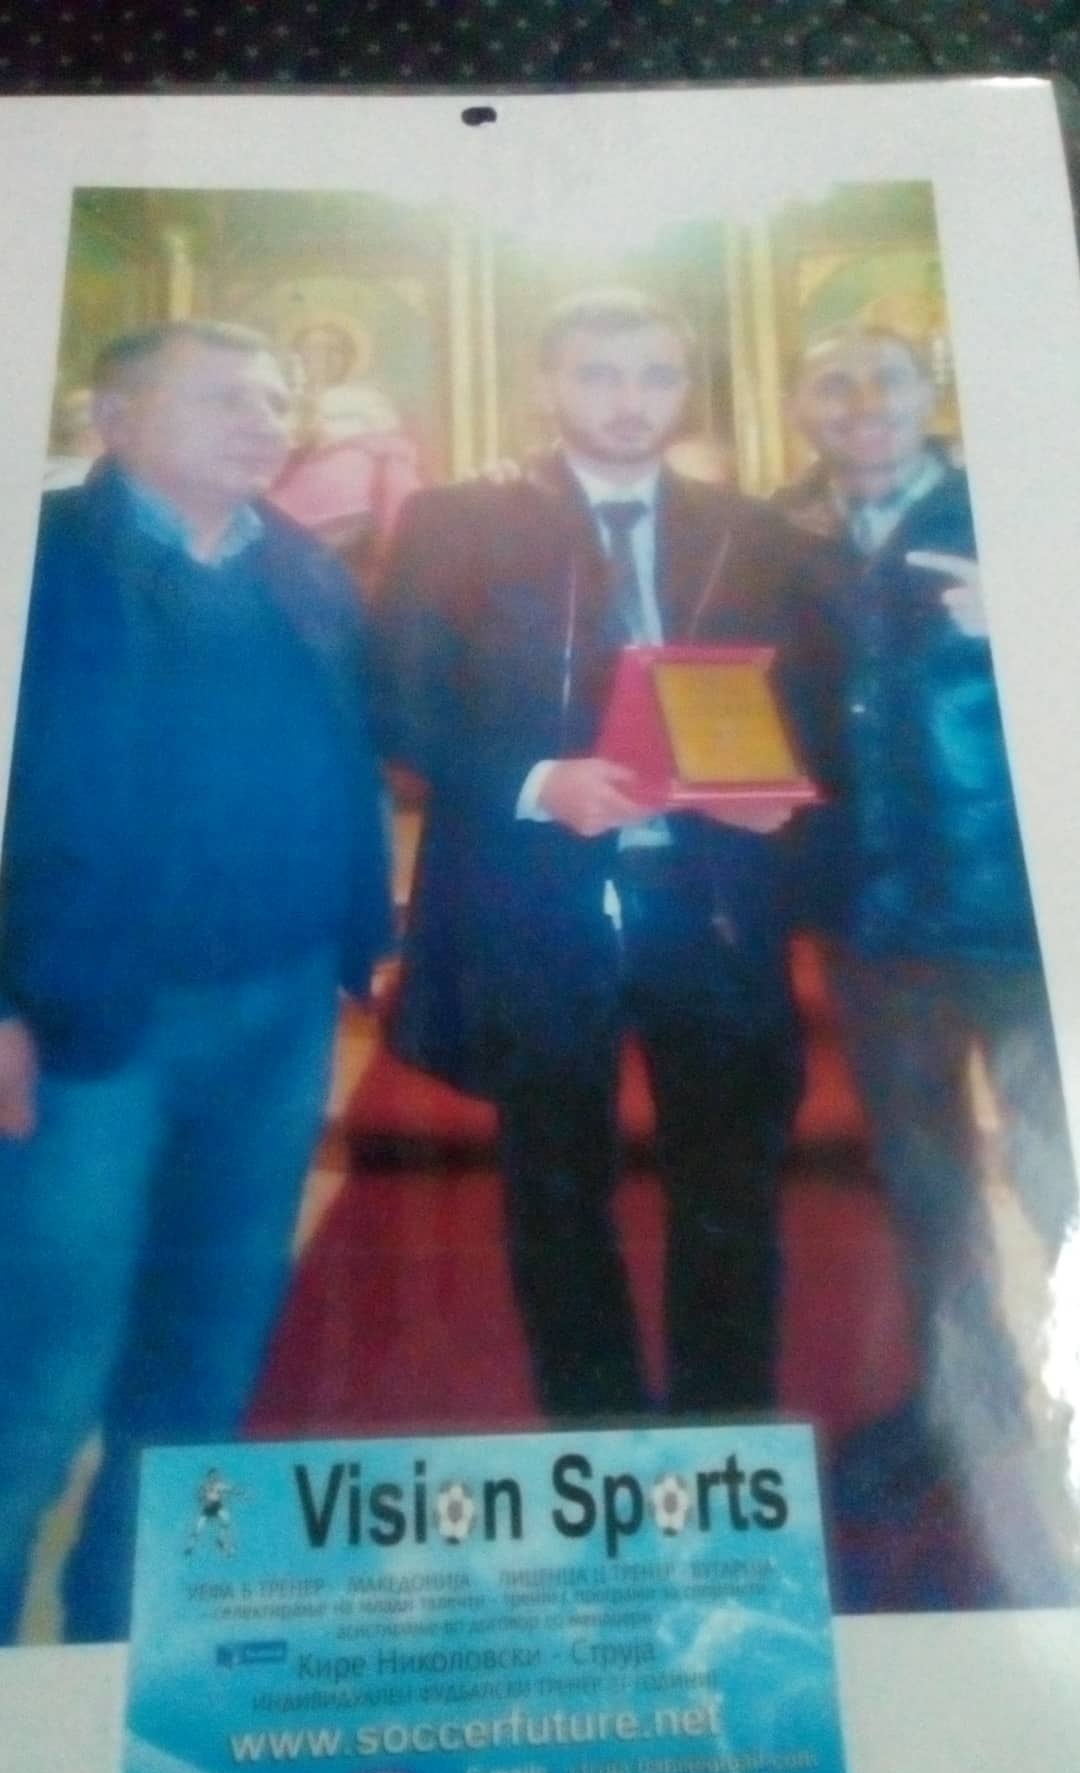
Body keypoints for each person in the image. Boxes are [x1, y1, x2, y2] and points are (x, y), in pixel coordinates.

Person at [0, 320, 392, 1644]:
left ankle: (125, 1640)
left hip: (277, 1017)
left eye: (278, 398)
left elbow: (365, 747)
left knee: (210, 1352)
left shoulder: (305, 569)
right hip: (83, 1022)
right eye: (225, 396)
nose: (265, 419)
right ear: (112, 419)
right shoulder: (38, 559)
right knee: (42, 1370)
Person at [373, 287, 821, 1422]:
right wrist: (537, 782)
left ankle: (723, 1428)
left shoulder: (753, 531)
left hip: (712, 898)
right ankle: (598, 1427)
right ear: (548, 385)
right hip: (537, 894)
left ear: (687, 390)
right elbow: (400, 701)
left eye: (657, 376)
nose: (630, 402)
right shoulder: (455, 522)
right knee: (555, 1185)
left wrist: (779, 792)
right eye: (599, 375)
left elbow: (814, 695)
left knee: (731, 1182)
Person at [778, 327, 1077, 1583]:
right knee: (926, 1184)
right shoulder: (781, 537)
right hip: (876, 920)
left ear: (930, 393)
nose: (863, 404)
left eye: (887, 379)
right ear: (800, 405)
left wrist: (1040, 617)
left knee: (1061, 1169)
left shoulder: (1028, 499)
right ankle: (966, 1409)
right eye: (833, 383)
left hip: (1023, 906)